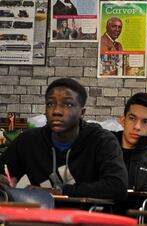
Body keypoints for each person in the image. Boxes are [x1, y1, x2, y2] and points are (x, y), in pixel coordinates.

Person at [0, 78, 128, 200]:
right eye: (50, 104)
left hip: (89, 216)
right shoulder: (28, 141)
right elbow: (4, 172)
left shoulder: (102, 141)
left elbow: (117, 186)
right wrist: (5, 181)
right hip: (43, 218)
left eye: (67, 104)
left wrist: (60, 192)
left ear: (82, 112)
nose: (56, 111)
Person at [115, 93, 147, 191]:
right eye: (132, 118)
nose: (137, 127)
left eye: (146, 122)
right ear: (123, 120)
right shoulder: (104, 150)